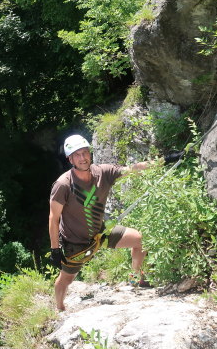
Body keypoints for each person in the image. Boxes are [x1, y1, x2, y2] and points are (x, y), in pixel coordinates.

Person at [48, 134, 157, 312]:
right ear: (70, 159)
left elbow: (132, 169)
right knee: (66, 279)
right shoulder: (63, 185)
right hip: (76, 244)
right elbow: (54, 218)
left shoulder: (103, 172)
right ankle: (59, 309)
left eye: (85, 153)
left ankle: (136, 278)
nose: (83, 158)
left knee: (139, 239)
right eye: (77, 155)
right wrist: (54, 249)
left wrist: (162, 161)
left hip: (100, 232)